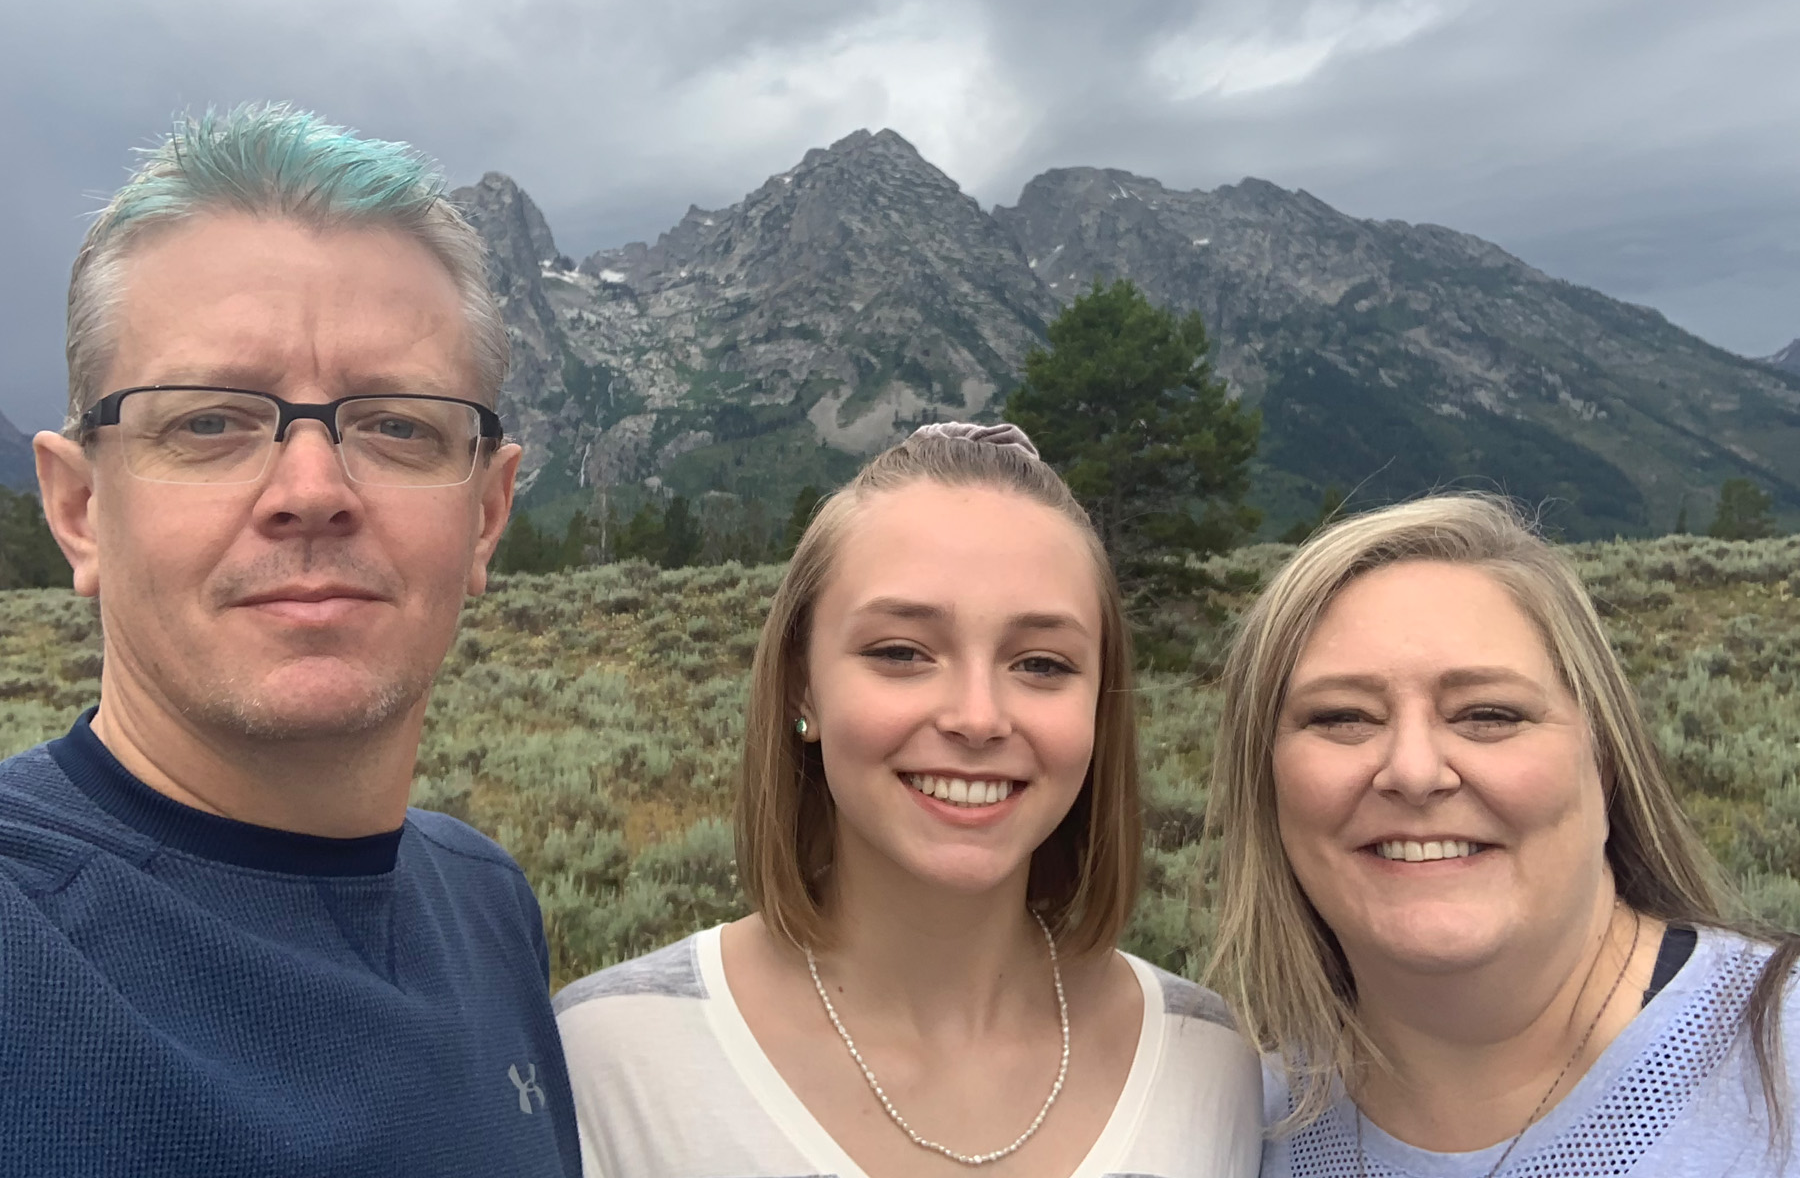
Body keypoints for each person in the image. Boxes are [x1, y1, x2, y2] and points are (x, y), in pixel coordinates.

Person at [4, 105, 579, 1177]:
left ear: (487, 516)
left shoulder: (488, 906)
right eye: (209, 422)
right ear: (80, 509)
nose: (312, 491)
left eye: (398, 425)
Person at [555, 422, 1262, 1178]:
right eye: (901, 652)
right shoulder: (608, 1060)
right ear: (803, 684)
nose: (978, 717)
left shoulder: (1209, 1066)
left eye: (1042, 663)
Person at [1205, 493, 1800, 1177]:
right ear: (1267, 779)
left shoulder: (1781, 1061)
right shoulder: (1228, 1124)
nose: (1414, 771)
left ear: (1603, 761)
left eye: (1488, 713)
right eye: (1344, 716)